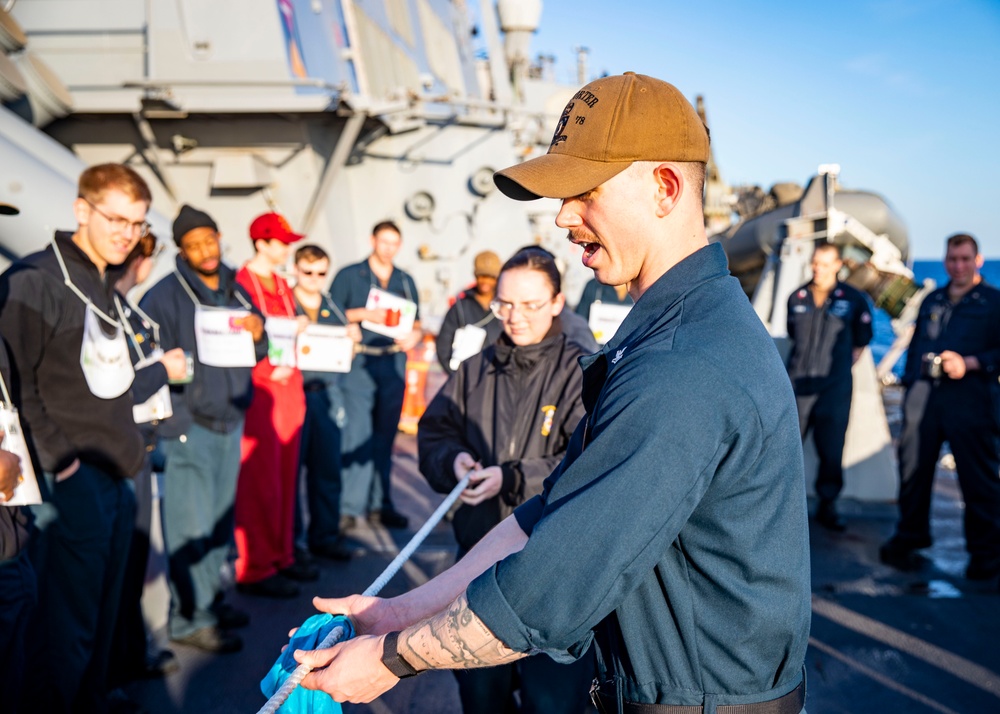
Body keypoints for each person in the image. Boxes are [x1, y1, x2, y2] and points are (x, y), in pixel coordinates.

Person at [294, 73, 810, 714]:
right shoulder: (670, 337)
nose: (563, 217)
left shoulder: (682, 367)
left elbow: (548, 588)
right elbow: (544, 519)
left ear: (665, 188)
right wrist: (398, 611)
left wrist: (392, 659)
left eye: (584, 192)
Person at [0, 163, 152, 713]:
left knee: (102, 612)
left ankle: (92, 698)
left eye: (136, 224)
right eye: (114, 218)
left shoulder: (103, 281)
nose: (125, 233)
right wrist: (63, 465)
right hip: (71, 478)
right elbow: (15, 388)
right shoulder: (37, 280)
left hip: (116, 475)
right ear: (82, 210)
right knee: (63, 624)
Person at [418, 247, 593, 714]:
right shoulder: (475, 369)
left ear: (557, 302)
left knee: (552, 702)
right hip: (478, 562)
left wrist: (513, 477)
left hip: (553, 571)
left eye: (531, 304)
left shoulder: (583, 373)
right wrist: (452, 459)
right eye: (505, 304)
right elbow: (436, 430)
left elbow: (588, 463)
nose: (514, 318)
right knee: (480, 698)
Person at [141, 205, 270, 646]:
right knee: (188, 527)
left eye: (209, 240)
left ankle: (210, 602)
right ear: (182, 250)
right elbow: (147, 361)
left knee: (217, 522)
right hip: (189, 427)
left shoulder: (235, 288)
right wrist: (174, 421)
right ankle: (189, 620)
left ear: (218, 236)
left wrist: (258, 331)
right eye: (193, 245)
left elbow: (262, 347)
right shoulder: (163, 296)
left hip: (230, 421)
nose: (204, 251)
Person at [880, 233, 1000, 580]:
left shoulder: (993, 302)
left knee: (978, 480)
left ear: (978, 261)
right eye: (952, 259)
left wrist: (971, 363)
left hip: (972, 401)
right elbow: (917, 345)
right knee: (913, 471)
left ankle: (986, 555)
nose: (958, 266)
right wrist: (908, 389)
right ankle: (910, 537)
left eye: (965, 259)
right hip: (925, 399)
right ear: (946, 261)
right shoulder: (933, 299)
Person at [109, 232, 189, 684]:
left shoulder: (126, 310)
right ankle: (110, 675)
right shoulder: (107, 312)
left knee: (131, 562)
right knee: (114, 570)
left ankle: (127, 656)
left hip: (140, 442)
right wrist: (163, 369)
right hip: (118, 448)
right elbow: (114, 391)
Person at [235, 212, 317, 597]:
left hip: (289, 387)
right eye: (281, 241)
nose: (287, 248)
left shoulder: (281, 284)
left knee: (285, 477)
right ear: (261, 243)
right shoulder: (241, 283)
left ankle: (280, 555)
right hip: (261, 389)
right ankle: (254, 567)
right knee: (260, 480)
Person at [330, 220, 423, 530]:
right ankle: (348, 507)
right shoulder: (348, 276)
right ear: (373, 240)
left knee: (385, 437)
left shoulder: (405, 280)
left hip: (392, 363)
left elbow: (418, 323)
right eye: (384, 242)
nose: (388, 248)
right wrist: (363, 315)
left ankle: (379, 503)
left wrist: (414, 337)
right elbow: (329, 313)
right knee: (356, 435)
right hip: (359, 363)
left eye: (394, 243)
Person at [786, 242, 873, 531]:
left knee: (832, 450)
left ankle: (827, 506)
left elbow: (862, 340)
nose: (817, 269)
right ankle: (784, 507)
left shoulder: (854, 299)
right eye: (815, 263)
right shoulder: (796, 297)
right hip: (797, 387)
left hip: (834, 388)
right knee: (787, 448)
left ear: (838, 265)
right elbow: (792, 333)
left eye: (824, 264)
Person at [292, 244, 359, 562]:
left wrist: (352, 342)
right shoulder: (286, 306)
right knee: (290, 474)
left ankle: (325, 536)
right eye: (308, 272)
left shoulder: (333, 307)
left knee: (327, 469)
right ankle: (292, 543)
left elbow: (346, 357)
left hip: (328, 393)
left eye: (321, 273)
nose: (314, 279)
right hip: (295, 392)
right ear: (295, 270)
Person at [435, 250, 504, 375]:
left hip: (496, 376)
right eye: (482, 276)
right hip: (465, 375)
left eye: (491, 277)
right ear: (475, 275)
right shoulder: (460, 306)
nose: (486, 281)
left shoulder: (504, 307)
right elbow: (443, 344)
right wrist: (455, 376)